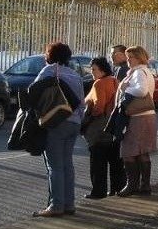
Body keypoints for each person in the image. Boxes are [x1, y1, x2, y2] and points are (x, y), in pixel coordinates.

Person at [32, 42, 84, 218]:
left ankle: (56, 205)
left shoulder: (49, 71)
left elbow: (34, 92)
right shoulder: (75, 74)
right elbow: (81, 101)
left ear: (49, 55)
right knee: (67, 164)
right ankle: (69, 204)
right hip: (74, 122)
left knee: (54, 166)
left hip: (56, 121)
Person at [116, 45, 157, 197]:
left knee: (128, 152)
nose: (127, 60)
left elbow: (142, 91)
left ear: (138, 58)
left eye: (130, 57)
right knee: (142, 152)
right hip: (146, 116)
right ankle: (144, 185)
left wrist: (125, 89)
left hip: (138, 117)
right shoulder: (144, 71)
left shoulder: (139, 72)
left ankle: (132, 185)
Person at [83, 57, 125, 199]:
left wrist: (88, 119)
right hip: (113, 126)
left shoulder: (99, 84)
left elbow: (99, 107)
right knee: (115, 161)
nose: (92, 72)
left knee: (98, 163)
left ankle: (98, 192)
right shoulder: (114, 81)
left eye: (94, 69)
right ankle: (117, 188)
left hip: (99, 128)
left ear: (102, 69)